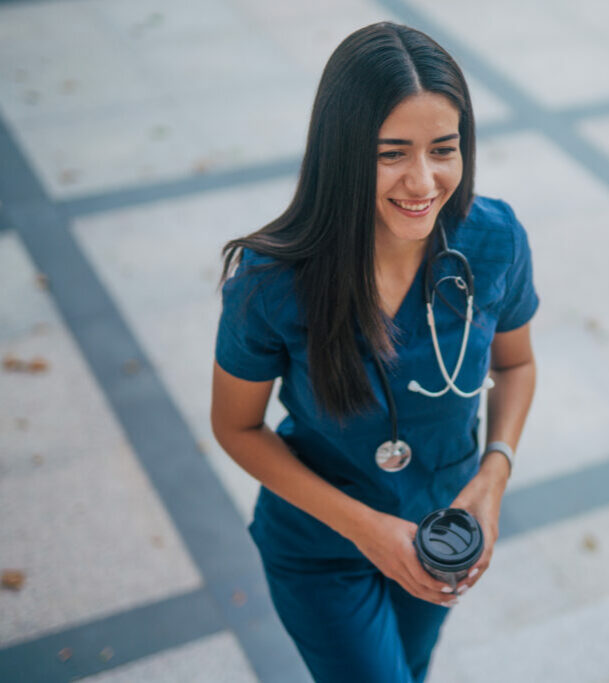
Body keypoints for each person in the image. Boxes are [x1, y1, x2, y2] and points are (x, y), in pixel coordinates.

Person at [210, 21, 538, 683]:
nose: (423, 181)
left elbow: (517, 365)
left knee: (409, 670)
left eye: (443, 148)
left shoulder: (495, 239)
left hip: (440, 534)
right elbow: (236, 426)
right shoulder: (269, 282)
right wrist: (365, 528)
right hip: (319, 546)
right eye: (392, 153)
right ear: (342, 151)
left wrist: (495, 472)